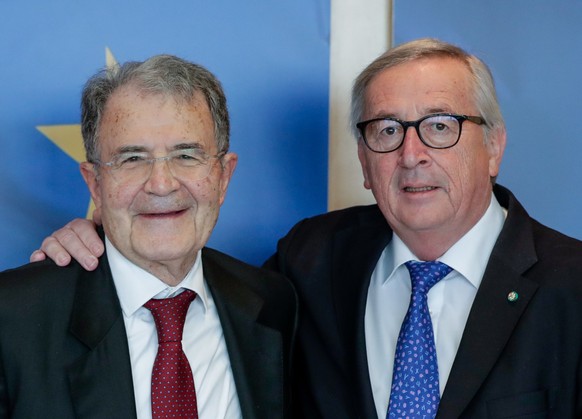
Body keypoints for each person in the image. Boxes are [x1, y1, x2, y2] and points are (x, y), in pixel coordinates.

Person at [32, 39, 582, 418]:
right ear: (365, 162)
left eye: (440, 126)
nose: (412, 154)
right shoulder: (311, 261)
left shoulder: (572, 289)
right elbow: (170, 271)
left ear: (494, 147)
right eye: (386, 130)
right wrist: (89, 242)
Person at [2, 54, 297, 419]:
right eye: (132, 159)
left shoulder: (275, 306)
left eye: (186, 155)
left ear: (223, 177)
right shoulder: (12, 320)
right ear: (95, 183)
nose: (161, 184)